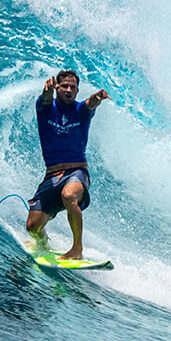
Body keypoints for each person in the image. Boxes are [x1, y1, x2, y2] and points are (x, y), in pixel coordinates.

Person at [26, 69, 109, 260]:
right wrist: (47, 91)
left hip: (77, 171)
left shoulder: (81, 110)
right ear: (57, 87)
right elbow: (45, 99)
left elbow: (90, 103)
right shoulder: (45, 108)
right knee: (33, 226)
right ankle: (43, 244)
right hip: (52, 176)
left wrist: (98, 97)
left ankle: (77, 249)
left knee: (69, 195)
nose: (69, 90)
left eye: (73, 87)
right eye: (64, 86)